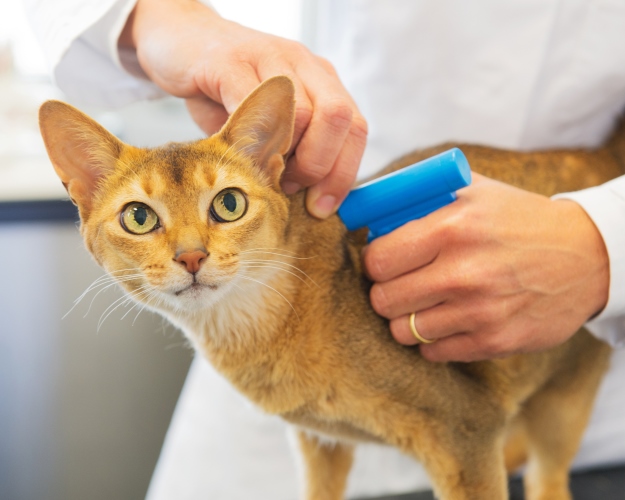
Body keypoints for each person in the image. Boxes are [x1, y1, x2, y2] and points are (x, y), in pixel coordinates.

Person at [26, 0, 625, 498]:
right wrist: (155, 17)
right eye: (139, 217)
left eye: (224, 208)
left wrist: (605, 243)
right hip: (316, 209)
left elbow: (469, 422)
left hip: (584, 329)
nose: (189, 253)